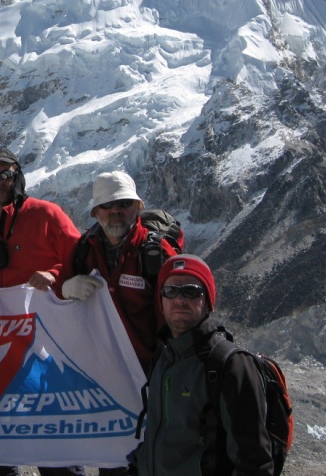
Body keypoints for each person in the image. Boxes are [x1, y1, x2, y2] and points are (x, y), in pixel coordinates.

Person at [0, 146, 83, 476]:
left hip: (47, 355)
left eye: (6, 173)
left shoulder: (47, 215)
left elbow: (81, 259)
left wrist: (55, 274)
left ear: (17, 176)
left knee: (57, 452)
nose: (0, 181)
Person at [134, 255, 275, 476]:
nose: (179, 299)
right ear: (160, 301)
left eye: (191, 291)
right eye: (170, 291)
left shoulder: (230, 365)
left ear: (208, 301)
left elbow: (254, 461)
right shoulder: (163, 356)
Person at [60, 171, 177, 375]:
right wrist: (64, 288)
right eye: (107, 205)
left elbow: (178, 313)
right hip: (101, 374)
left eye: (124, 203)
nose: (115, 210)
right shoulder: (83, 249)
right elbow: (55, 294)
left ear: (138, 207)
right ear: (95, 212)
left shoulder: (156, 252)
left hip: (150, 371)